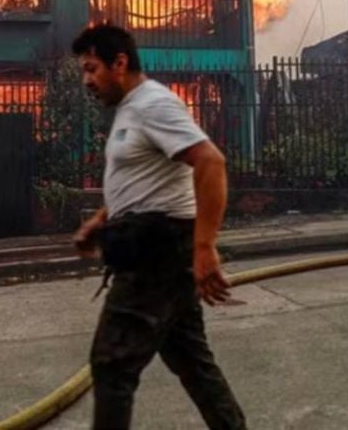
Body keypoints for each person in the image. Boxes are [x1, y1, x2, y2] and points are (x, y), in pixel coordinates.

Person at [71, 24, 246, 430]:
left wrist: (205, 247)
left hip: (157, 255)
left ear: (120, 63)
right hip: (156, 249)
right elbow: (145, 182)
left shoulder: (153, 104)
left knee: (112, 363)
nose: (86, 81)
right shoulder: (130, 110)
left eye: (91, 69)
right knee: (192, 363)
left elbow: (211, 162)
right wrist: (101, 220)